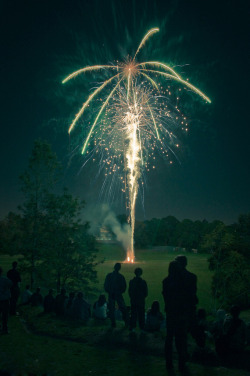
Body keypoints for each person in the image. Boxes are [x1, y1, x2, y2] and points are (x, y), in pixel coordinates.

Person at [162, 260, 191, 371]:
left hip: (170, 313)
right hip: (180, 313)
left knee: (169, 339)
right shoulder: (182, 282)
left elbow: (165, 297)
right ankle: (181, 362)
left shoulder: (166, 281)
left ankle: (169, 363)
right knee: (180, 339)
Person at [175, 255, 198, 332]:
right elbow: (194, 291)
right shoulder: (192, 277)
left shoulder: (173, 279)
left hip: (179, 305)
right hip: (189, 304)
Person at [104, 263, 128, 328]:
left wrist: (109, 291)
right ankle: (126, 321)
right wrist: (120, 292)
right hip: (117, 294)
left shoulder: (109, 276)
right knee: (122, 308)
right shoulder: (121, 276)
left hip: (112, 294)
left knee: (112, 309)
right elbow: (124, 286)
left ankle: (113, 323)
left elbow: (106, 285)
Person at [128, 268, 148, 332]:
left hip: (133, 300)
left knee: (133, 314)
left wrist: (132, 297)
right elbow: (146, 293)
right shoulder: (143, 282)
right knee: (141, 314)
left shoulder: (131, 281)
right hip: (141, 301)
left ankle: (132, 327)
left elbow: (129, 291)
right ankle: (142, 327)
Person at [0, 267, 12, 334]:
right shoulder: (5, 279)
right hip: (5, 299)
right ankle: (5, 329)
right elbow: (11, 284)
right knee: (5, 315)